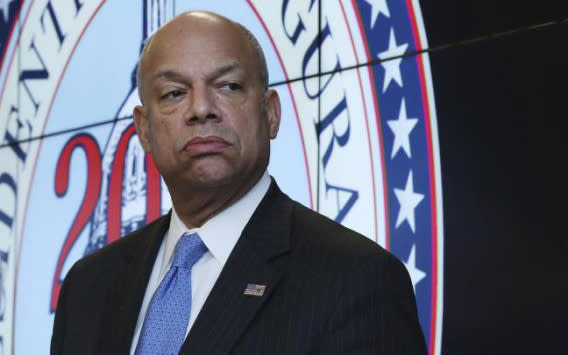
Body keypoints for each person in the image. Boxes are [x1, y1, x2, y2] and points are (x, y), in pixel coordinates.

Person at [51, 11, 427, 355]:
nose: (201, 108)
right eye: (174, 93)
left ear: (271, 113)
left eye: (228, 86)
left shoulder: (357, 281)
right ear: (144, 130)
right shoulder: (88, 288)